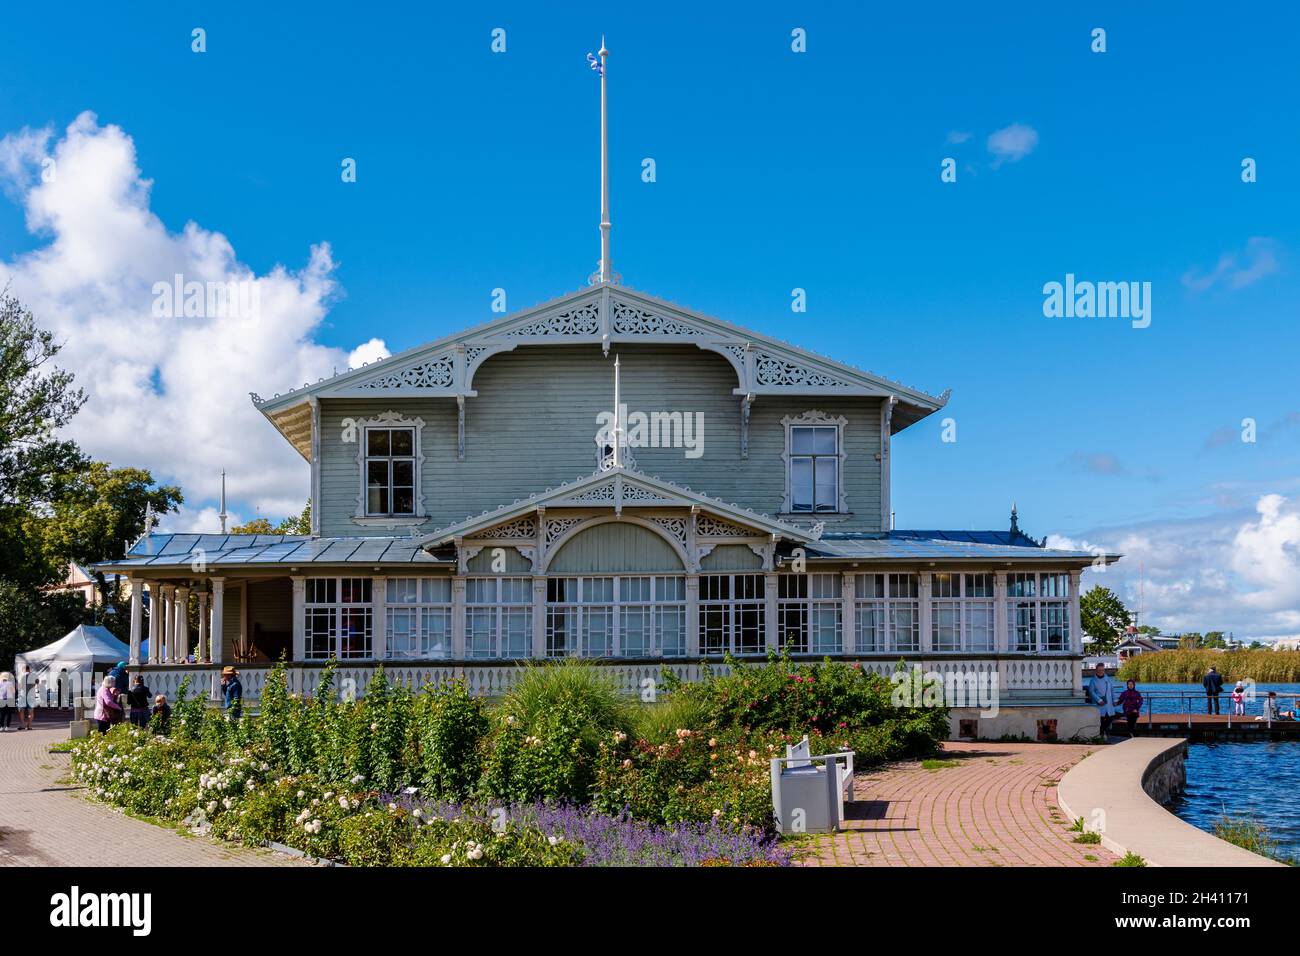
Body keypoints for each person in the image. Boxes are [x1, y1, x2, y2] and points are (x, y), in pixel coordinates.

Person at [1086, 662, 1118, 736]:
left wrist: (1115, 700)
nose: (1101, 671)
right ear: (1096, 670)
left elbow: (1112, 689)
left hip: (1109, 703)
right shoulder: (1093, 680)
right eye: (1099, 670)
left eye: (1102, 670)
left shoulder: (1108, 679)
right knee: (1101, 719)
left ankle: (1103, 731)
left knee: (1111, 717)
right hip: (1099, 704)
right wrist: (1099, 700)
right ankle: (1101, 734)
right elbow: (1091, 692)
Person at [17, 665, 35, 730]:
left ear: (24, 669)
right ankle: (29, 725)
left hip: (23, 695)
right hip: (31, 695)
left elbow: (19, 685)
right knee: (30, 711)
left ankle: (23, 724)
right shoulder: (33, 676)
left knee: (21, 710)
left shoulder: (21, 676)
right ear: (29, 669)